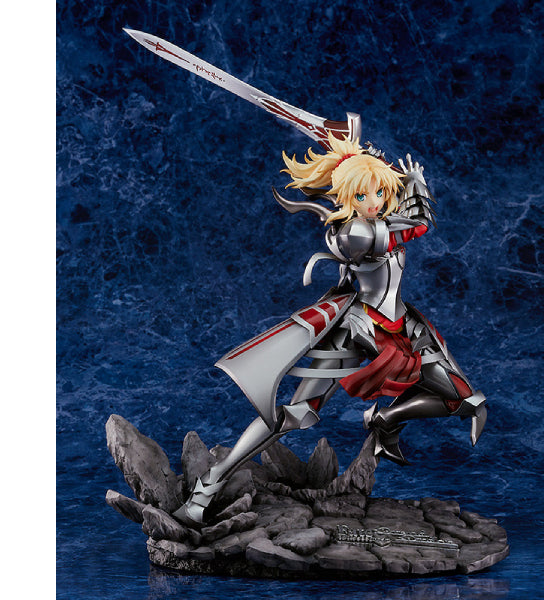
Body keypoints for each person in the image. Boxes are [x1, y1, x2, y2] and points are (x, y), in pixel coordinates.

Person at [173, 133, 487, 526]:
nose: (373, 202)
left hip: (402, 325)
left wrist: (406, 180)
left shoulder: (381, 222)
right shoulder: (354, 233)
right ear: (345, 197)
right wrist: (407, 187)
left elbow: (412, 223)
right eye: (362, 195)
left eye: (379, 192)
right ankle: (207, 487)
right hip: (358, 330)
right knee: (295, 415)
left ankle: (386, 419)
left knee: (463, 397)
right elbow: (410, 227)